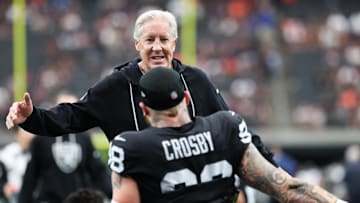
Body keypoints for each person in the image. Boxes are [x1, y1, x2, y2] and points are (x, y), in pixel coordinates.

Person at [5, 9, 276, 201]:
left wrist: (273, 170)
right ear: (137, 44)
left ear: (174, 43)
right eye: (149, 40)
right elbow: (72, 116)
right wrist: (31, 117)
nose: (157, 47)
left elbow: (237, 133)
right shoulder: (115, 87)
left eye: (163, 39)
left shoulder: (196, 80)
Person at [108, 67, 347, 203]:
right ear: (187, 99)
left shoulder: (132, 147)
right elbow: (289, 189)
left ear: (144, 110)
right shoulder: (225, 126)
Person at [18, 91, 111, 203]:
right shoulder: (41, 139)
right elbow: (31, 175)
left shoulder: (84, 138)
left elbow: (97, 171)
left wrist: (113, 194)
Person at [0, 128, 35, 203]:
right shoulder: (7, 153)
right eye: (24, 134)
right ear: (17, 135)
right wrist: (3, 187)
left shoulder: (38, 154)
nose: (27, 137)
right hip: (12, 196)